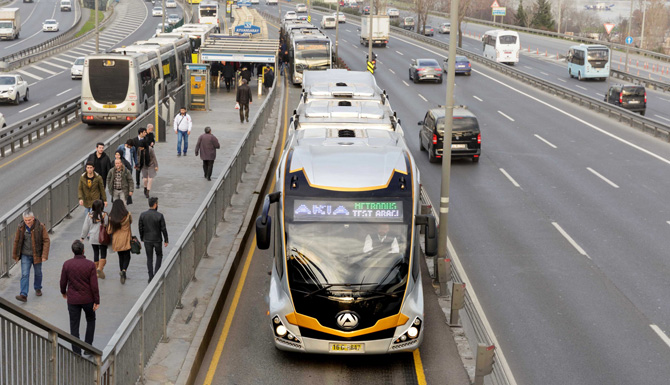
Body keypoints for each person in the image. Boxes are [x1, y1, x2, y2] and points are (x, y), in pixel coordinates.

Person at [60, 240, 99, 356]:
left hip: (73, 300)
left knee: (74, 324)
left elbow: (63, 281)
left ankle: (76, 351)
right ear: (83, 250)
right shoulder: (90, 265)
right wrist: (97, 300)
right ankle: (88, 347)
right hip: (88, 299)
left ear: (73, 251)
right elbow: (94, 285)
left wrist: (63, 292)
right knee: (91, 320)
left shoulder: (67, 264)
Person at [13, 211, 50, 302]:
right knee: (25, 274)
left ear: (33, 218)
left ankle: (38, 288)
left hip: (37, 255)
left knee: (38, 273)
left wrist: (44, 255)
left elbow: (46, 241)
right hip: (25, 255)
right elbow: (16, 241)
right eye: (25, 220)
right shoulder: (21, 227)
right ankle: (23, 294)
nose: (27, 222)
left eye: (29, 220)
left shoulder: (40, 227)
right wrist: (15, 256)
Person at [138, 197, 169, 283]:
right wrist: (166, 239)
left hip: (147, 239)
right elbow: (163, 229)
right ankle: (156, 274)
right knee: (159, 255)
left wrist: (142, 237)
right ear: (155, 204)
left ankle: (150, 276)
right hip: (157, 239)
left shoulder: (143, 215)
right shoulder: (160, 215)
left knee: (149, 258)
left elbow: (140, 228)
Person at [80, 200, 108, 279]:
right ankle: (100, 268)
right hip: (102, 237)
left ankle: (96, 270)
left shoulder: (89, 215)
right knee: (103, 253)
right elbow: (107, 225)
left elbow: (85, 227)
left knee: (96, 252)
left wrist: (83, 237)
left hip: (93, 237)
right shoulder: (104, 215)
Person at [107, 200, 132, 284]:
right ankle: (124, 271)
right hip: (126, 239)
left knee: (120, 257)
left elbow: (109, 231)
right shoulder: (127, 215)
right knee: (127, 256)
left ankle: (122, 271)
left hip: (117, 240)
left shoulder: (111, 217)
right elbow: (131, 222)